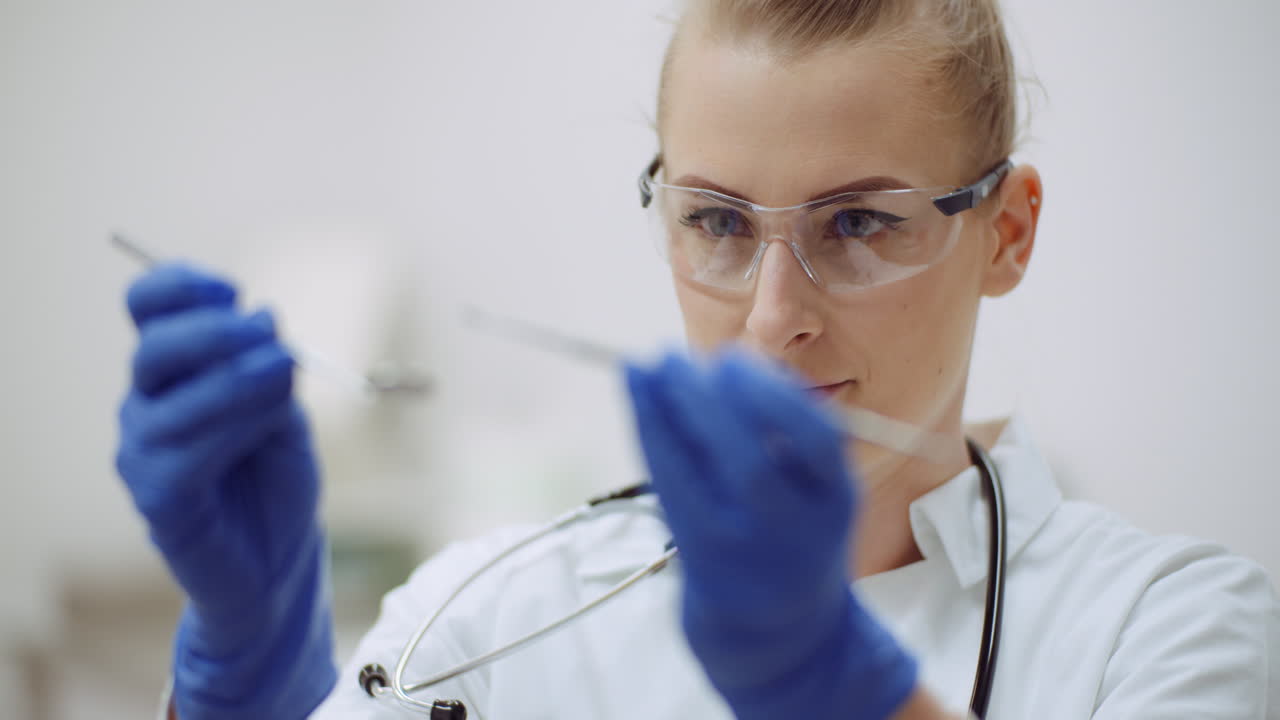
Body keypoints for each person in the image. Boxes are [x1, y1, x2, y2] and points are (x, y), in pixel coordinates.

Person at [114, 1, 1280, 718]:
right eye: (717, 222)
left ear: (1006, 233)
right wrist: (243, 663)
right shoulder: (489, 611)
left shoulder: (1165, 627)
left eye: (860, 225)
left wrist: (830, 689)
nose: (775, 319)